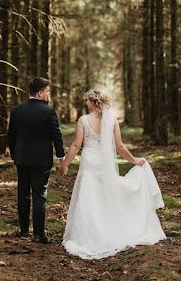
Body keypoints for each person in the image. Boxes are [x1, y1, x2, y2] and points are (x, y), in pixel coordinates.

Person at [59, 89, 166, 259]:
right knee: (104, 196)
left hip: (89, 164)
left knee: (90, 197)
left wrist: (64, 164)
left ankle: (90, 235)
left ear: (93, 102)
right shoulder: (112, 120)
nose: (85, 103)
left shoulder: (83, 120)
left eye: (87, 100)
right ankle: (106, 230)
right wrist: (134, 161)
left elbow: (75, 146)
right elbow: (120, 146)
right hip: (104, 164)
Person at [7, 77, 65, 244]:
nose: (48, 94)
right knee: (39, 196)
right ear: (40, 93)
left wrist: (14, 154)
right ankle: (38, 234)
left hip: (22, 158)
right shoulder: (48, 112)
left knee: (23, 194)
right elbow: (56, 135)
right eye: (47, 91)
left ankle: (24, 231)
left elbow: (11, 135)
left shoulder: (17, 110)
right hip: (41, 160)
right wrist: (61, 156)